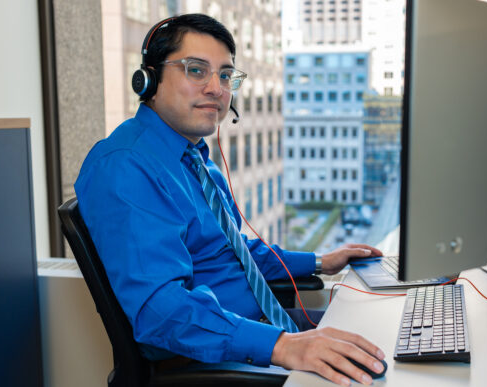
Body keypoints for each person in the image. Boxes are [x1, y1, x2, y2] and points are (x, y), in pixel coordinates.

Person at [75, 13, 385, 386]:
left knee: (385, 340)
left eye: (225, 75)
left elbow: (237, 252)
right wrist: (284, 346)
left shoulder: (195, 160)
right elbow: (160, 311)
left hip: (258, 331)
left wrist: (320, 261)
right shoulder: (126, 167)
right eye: (196, 70)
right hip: (210, 361)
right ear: (150, 80)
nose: (216, 89)